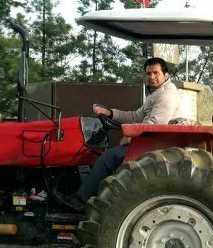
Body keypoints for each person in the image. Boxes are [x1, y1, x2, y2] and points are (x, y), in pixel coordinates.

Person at [57, 57, 184, 211]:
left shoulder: (166, 95)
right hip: (151, 141)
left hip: (156, 144)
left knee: (108, 157)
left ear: (166, 75)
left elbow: (155, 124)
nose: (151, 77)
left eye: (156, 73)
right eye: (148, 73)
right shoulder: (157, 93)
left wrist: (132, 136)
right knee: (109, 154)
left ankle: (80, 201)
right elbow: (136, 117)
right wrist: (110, 113)